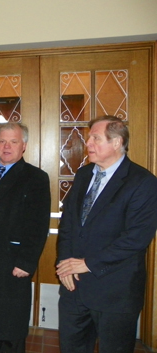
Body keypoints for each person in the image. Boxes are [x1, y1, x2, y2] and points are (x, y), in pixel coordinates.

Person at [56, 116, 157, 353]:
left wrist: (87, 264)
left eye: (95, 138)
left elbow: (136, 238)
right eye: (89, 137)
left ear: (116, 142)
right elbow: (68, 224)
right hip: (74, 289)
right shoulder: (83, 175)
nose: (87, 142)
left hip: (115, 291)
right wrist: (64, 264)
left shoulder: (143, 182)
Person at [0, 122, 51, 353]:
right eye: (2, 141)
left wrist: (26, 262)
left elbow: (38, 225)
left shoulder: (35, 178)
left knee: (9, 328)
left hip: (11, 263)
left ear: (23, 145)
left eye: (13, 142)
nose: (6, 146)